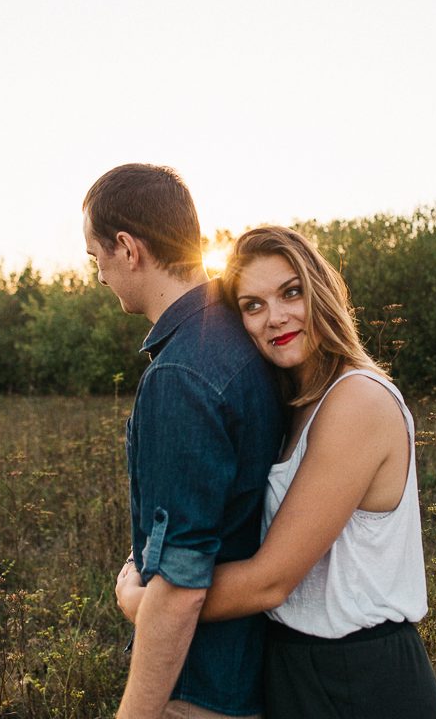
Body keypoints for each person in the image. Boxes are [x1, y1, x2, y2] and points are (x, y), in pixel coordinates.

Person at [118, 224, 436, 718]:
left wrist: (150, 606)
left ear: (321, 291)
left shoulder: (357, 400)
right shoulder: (293, 405)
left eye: (291, 293)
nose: (276, 317)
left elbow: (271, 581)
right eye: (253, 305)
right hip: (291, 665)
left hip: (363, 675)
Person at [83, 164, 285, 719]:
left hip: (201, 689)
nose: (97, 273)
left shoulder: (182, 374)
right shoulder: (245, 339)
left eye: (93, 255)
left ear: (127, 248)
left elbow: (182, 584)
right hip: (251, 671)